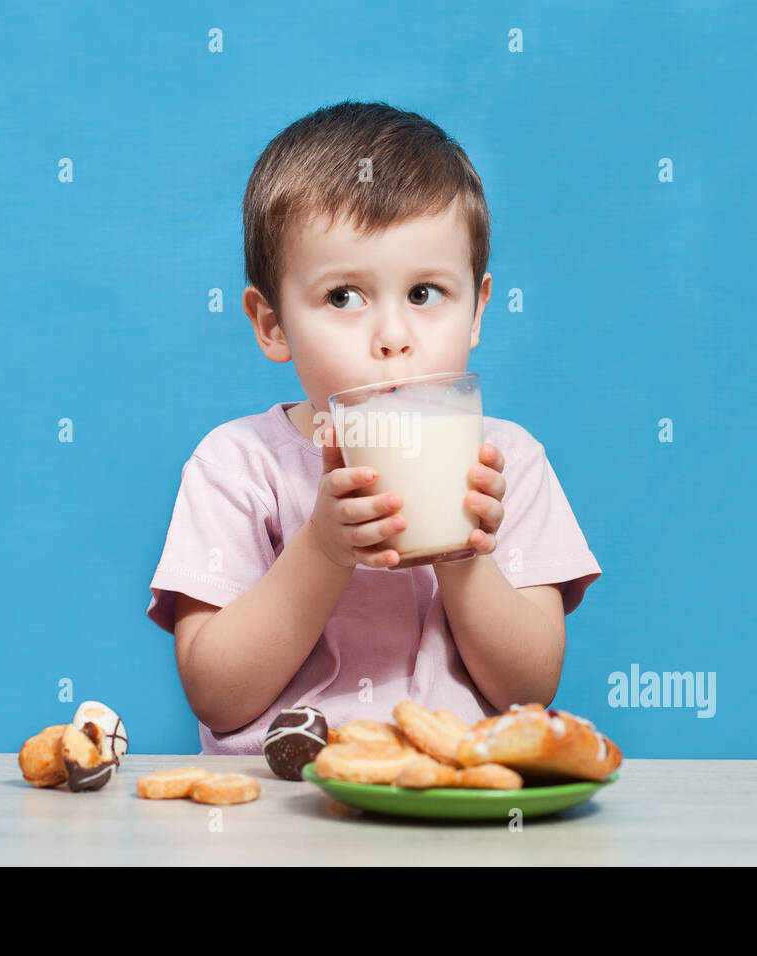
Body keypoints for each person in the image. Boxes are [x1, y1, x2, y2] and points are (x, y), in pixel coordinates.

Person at [147, 100, 602, 754]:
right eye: (344, 297)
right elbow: (217, 694)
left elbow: (528, 690)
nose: (393, 338)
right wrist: (323, 550)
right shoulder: (237, 465)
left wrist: (464, 555)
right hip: (282, 817)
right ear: (272, 324)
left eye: (424, 294)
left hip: (448, 812)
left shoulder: (507, 462)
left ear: (476, 310)